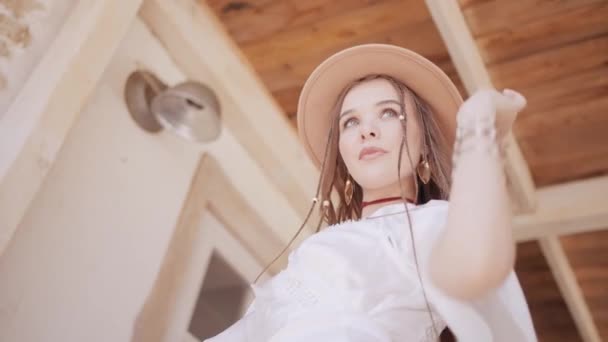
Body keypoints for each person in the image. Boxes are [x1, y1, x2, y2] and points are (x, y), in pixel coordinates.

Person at [205, 44, 538, 341]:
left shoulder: (428, 223)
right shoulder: (309, 255)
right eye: (350, 122)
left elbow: (473, 270)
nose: (367, 130)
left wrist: (480, 136)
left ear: (424, 144)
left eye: (389, 113)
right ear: (342, 153)